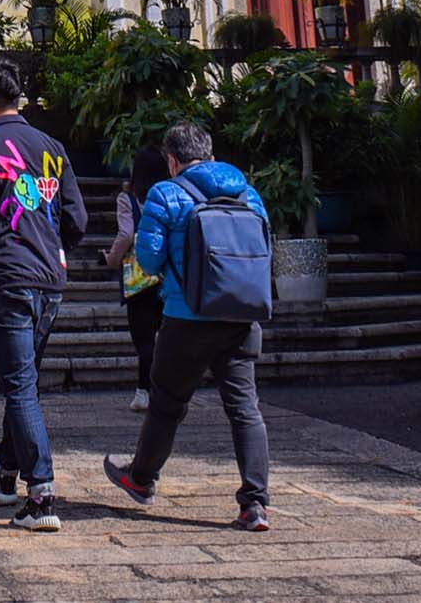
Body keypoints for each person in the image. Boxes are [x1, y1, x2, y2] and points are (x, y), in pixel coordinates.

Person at [104, 117, 275, 532]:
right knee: (244, 408)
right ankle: (255, 504)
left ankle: (141, 479)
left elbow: (147, 258)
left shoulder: (166, 193)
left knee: (167, 403)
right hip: (241, 315)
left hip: (186, 318)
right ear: (211, 153)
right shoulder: (247, 192)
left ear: (172, 160)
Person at [0, 55, 87, 533]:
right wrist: (55, 246)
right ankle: (6, 470)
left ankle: (41, 491)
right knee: (25, 379)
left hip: (8, 275)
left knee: (20, 384)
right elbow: (76, 220)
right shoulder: (52, 147)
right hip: (50, 279)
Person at [104, 141, 172, 412]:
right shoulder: (169, 194)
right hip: (168, 274)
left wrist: (111, 259)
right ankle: (162, 389)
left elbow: (125, 234)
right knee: (165, 336)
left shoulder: (128, 199)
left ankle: (144, 391)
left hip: (139, 278)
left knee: (144, 340)